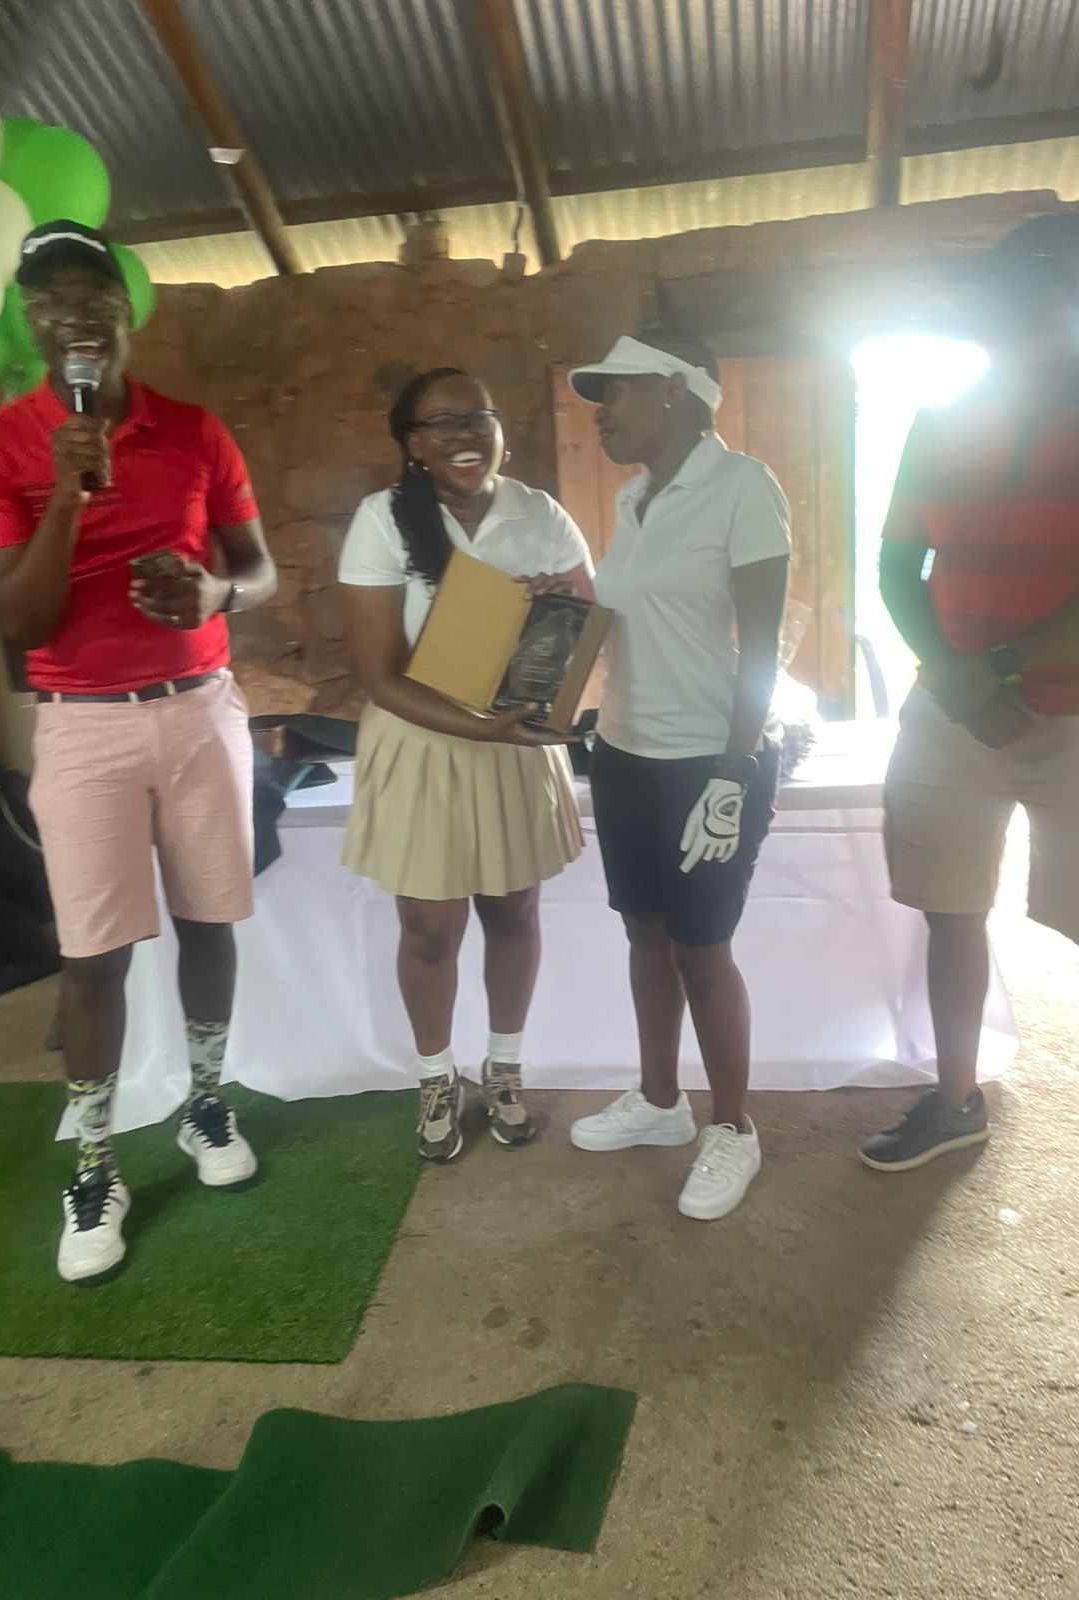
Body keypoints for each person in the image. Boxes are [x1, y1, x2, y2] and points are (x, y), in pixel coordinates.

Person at [0, 221, 276, 1283]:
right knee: (93, 955)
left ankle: (205, 1102)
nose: (75, 316)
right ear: (29, 319)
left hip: (199, 710)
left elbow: (259, 571)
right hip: (85, 724)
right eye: (50, 299)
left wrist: (213, 592)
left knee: (210, 922)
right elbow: (21, 620)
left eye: (92, 295)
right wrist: (67, 490)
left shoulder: (194, 430)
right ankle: (96, 1162)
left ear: (123, 311)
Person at [864, 212, 1079, 1173]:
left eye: (1034, 295)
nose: (1008, 315)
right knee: (948, 908)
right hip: (951, 716)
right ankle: (955, 1101)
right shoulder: (944, 414)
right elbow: (896, 564)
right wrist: (961, 682)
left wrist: (995, 668)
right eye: (1001, 296)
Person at [339, 368, 592, 1162]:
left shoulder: (539, 514)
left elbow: (583, 633)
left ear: (498, 428)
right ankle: (436, 1077)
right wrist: (481, 724)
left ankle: (504, 1069)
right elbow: (381, 677)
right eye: (441, 423)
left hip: (515, 741)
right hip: (425, 745)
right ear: (413, 443)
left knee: (514, 913)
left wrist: (554, 610)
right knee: (431, 931)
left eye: (477, 417)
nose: (464, 435)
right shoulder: (383, 520)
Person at [566, 331, 790, 1221]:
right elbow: (625, 624)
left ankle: (732, 1128)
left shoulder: (742, 487)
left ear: (672, 390)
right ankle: (661, 1103)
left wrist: (735, 770)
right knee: (645, 933)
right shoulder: (634, 499)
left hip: (709, 760)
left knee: (703, 951)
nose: (600, 413)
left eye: (613, 393)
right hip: (624, 752)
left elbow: (762, 649)